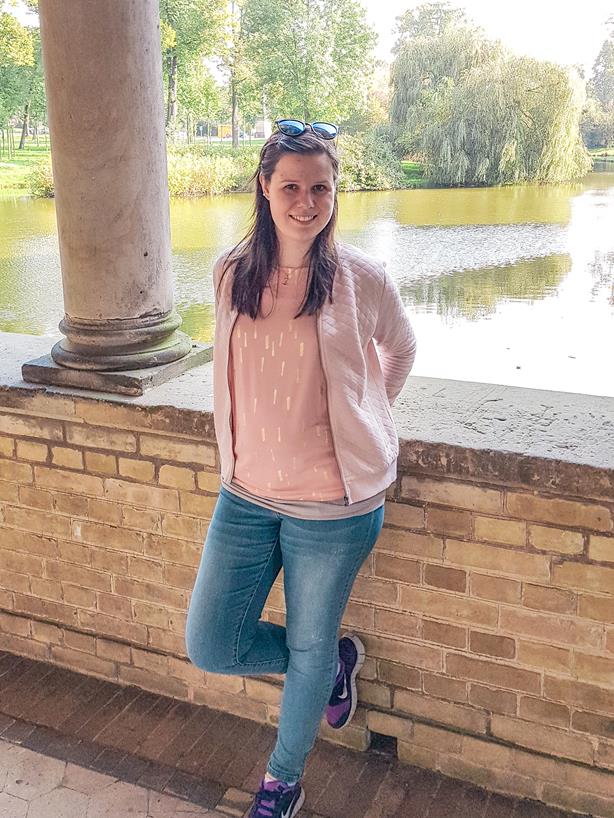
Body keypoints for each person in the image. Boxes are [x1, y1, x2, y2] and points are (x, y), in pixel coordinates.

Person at [185, 118, 417, 818]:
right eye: (291, 186)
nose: (306, 202)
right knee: (212, 644)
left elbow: (400, 351)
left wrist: (364, 416)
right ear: (264, 187)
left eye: (321, 187)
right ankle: (327, 666)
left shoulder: (362, 278)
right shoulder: (231, 272)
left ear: (336, 191)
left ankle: (281, 783)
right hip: (246, 496)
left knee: (310, 643)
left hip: (334, 508)